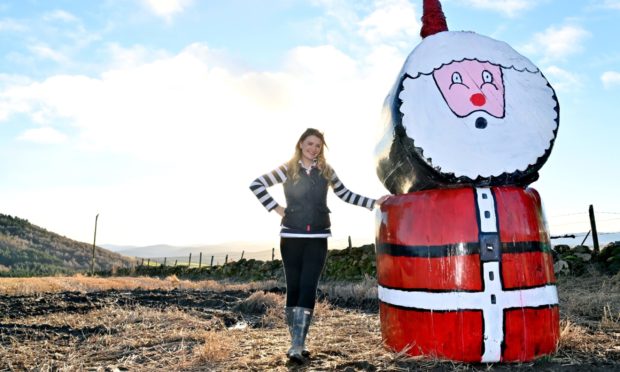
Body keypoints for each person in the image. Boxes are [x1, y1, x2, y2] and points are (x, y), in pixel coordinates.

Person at [249, 128, 388, 362]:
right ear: (301, 144)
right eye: (310, 144)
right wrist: (277, 208)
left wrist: (372, 202)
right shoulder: (287, 168)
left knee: (308, 286)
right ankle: (294, 342)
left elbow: (344, 194)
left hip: (318, 237)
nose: (314, 149)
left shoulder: (326, 170)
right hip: (291, 236)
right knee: (293, 287)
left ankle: (298, 344)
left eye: (318, 146)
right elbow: (256, 184)